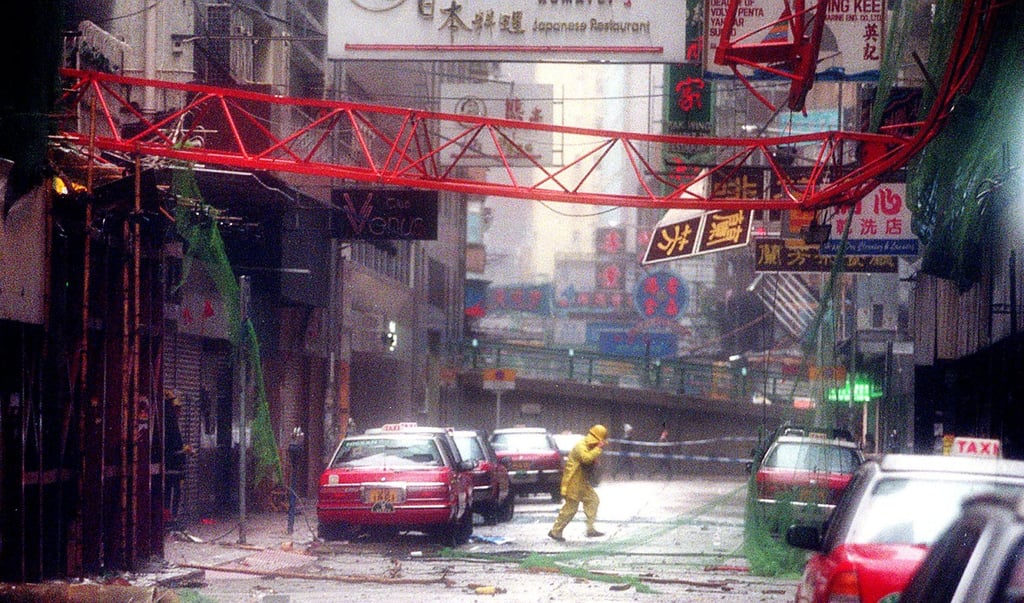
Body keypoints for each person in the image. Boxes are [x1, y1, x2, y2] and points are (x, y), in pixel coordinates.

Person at [548, 424, 608, 541]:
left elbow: (588, 462)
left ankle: (590, 529)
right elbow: (585, 458)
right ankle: (555, 531)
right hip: (573, 481)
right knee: (570, 508)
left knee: (593, 500)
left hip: (581, 482)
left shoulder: (589, 446)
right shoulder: (581, 446)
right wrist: (597, 449)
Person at [162, 389, 193, 525]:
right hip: (171, 467)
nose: (179, 412)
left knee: (175, 493)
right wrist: (183, 450)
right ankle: (169, 518)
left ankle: (172, 518)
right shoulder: (169, 425)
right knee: (169, 493)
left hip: (177, 468)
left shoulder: (173, 424)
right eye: (177, 409)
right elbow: (169, 449)